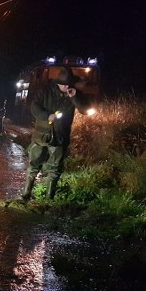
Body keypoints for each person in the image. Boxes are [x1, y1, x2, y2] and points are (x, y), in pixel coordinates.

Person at [20, 65, 90, 201]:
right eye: (64, 85)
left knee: (55, 168)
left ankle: (49, 199)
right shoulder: (45, 92)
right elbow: (34, 107)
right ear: (58, 83)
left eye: (69, 84)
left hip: (60, 137)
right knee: (34, 165)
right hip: (41, 136)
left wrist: (74, 98)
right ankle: (25, 195)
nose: (66, 87)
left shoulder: (74, 94)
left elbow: (85, 110)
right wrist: (47, 115)